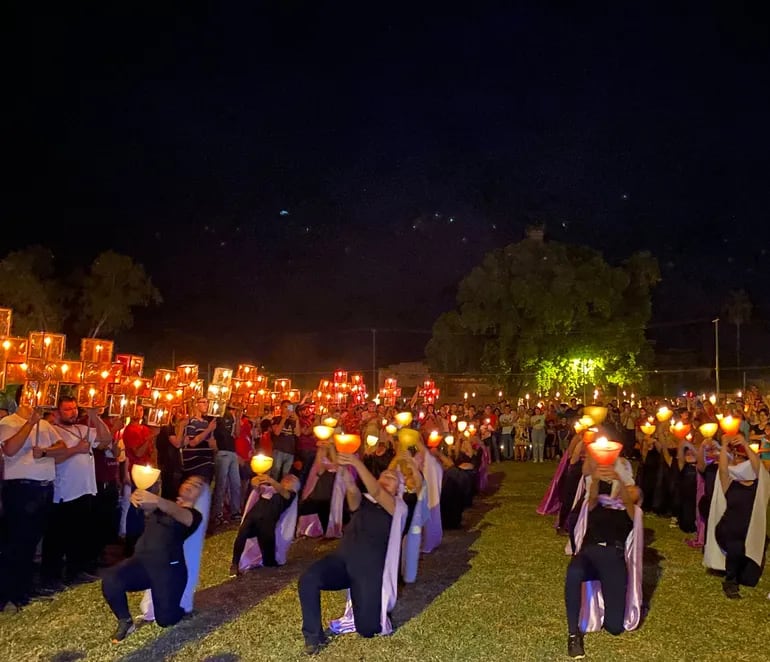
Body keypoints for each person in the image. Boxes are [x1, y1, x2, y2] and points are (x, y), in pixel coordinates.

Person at [298, 455, 406, 655]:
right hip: (343, 561)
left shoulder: (398, 508)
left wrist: (357, 463)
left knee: (368, 629)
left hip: (368, 571)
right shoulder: (365, 501)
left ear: (399, 488)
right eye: (383, 475)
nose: (385, 478)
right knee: (308, 579)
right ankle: (313, 637)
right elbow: (354, 496)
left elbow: (376, 490)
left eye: (391, 478)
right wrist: (347, 478)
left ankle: (376, 607)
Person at [100, 475, 205, 643]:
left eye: (197, 485)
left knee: (165, 621)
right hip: (141, 563)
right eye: (188, 482)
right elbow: (147, 507)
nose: (191, 485)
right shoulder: (161, 505)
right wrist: (138, 496)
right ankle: (125, 621)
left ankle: (177, 609)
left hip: (168, 570)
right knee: (111, 578)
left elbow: (177, 512)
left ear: (200, 495)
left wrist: (157, 500)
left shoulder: (193, 515)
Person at [565, 465, 642, 659]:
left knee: (614, 627)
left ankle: (612, 610)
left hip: (612, 558)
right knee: (574, 572)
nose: (631, 488)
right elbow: (591, 499)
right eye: (629, 487)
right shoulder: (599, 503)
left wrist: (620, 479)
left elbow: (627, 500)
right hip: (589, 554)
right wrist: (597, 479)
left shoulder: (634, 513)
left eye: (635, 489)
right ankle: (573, 634)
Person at [0, 397, 68, 610]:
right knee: (16, 543)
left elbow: (62, 447)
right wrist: (29, 423)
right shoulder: (8, 423)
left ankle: (24, 589)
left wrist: (47, 451)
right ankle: (8, 595)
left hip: (44, 488)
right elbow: (10, 449)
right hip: (22, 489)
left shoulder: (45, 424)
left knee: (31, 543)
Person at [703, 433, 770, 598]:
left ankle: (738, 570)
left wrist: (746, 445)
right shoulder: (730, 483)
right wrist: (724, 445)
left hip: (749, 532)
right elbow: (723, 469)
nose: (740, 463)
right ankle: (730, 581)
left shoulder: (757, 486)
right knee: (736, 542)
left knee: (749, 580)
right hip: (729, 530)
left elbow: (758, 468)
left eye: (743, 460)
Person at [230, 473, 300, 575]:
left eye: (291, 480)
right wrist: (256, 480)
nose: (287, 480)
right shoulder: (269, 489)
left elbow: (284, 493)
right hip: (252, 517)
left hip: (267, 523)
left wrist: (271, 481)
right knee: (241, 536)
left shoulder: (290, 495)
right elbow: (257, 487)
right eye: (286, 479)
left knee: (269, 560)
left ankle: (269, 563)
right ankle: (234, 564)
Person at [212, 407, 242, 526]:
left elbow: (236, 434)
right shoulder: (216, 414)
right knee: (221, 484)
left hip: (232, 452)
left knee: (236, 483)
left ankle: (235, 511)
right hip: (222, 451)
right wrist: (216, 450)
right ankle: (217, 513)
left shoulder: (231, 416)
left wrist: (238, 419)